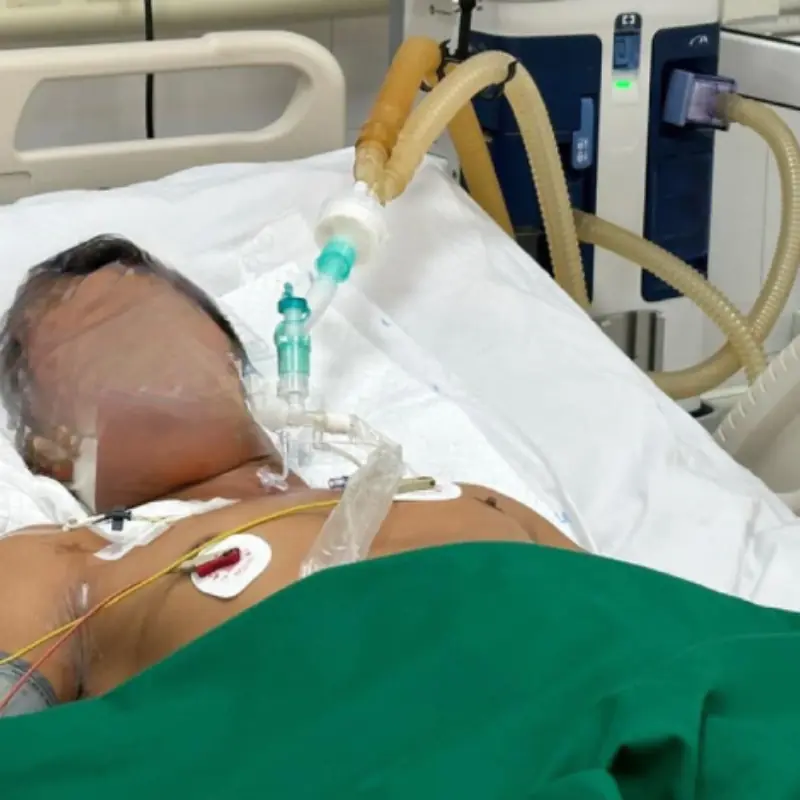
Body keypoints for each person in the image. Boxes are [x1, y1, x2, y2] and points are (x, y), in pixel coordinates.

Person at [0, 235, 581, 716]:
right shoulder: (64, 564)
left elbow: (620, 617)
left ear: (235, 364)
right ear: (50, 453)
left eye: (160, 317)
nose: (146, 343)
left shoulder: (464, 498)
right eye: (104, 339)